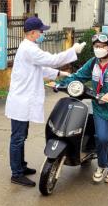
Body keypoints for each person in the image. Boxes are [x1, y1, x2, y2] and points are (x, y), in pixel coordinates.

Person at [5, 17, 86, 187]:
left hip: (24, 99)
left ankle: (21, 166)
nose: (43, 33)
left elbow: (41, 68)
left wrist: (61, 74)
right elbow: (52, 60)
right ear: (33, 33)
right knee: (18, 138)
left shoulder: (30, 48)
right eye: (41, 31)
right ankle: (16, 173)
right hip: (21, 100)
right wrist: (73, 50)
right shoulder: (29, 49)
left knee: (22, 135)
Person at [58, 33, 108, 184]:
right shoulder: (93, 63)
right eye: (96, 46)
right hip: (99, 108)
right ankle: (101, 166)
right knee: (101, 138)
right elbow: (78, 76)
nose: (99, 49)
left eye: (102, 46)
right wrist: (61, 84)